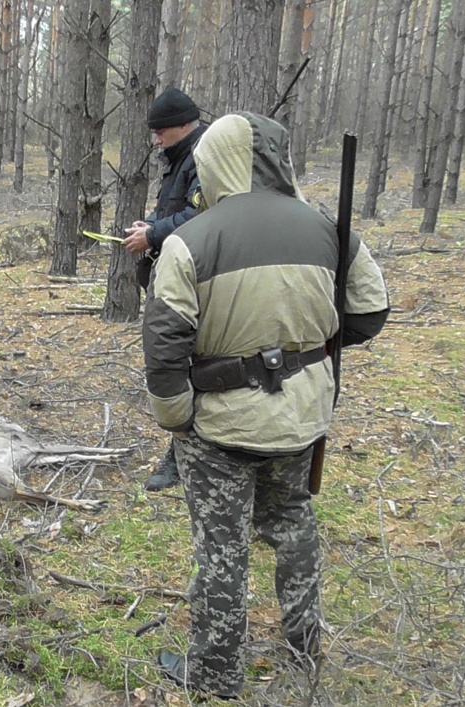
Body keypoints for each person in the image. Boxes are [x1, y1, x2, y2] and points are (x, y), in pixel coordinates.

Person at [141, 112, 389, 699]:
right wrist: (309, 357)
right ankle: (305, 654)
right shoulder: (330, 230)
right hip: (301, 420)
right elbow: (371, 311)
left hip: (220, 428)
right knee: (294, 525)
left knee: (221, 548)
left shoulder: (191, 239)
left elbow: (165, 343)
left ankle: (215, 675)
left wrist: (176, 416)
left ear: (213, 160)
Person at [123, 87, 207, 493]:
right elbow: (176, 208)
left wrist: (154, 234)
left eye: (161, 131)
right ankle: (183, 450)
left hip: (196, 279)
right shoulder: (177, 158)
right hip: (175, 273)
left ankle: (184, 455)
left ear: (185, 125)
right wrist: (151, 225)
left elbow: (202, 215)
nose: (155, 139)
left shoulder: (204, 156)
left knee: (190, 364)